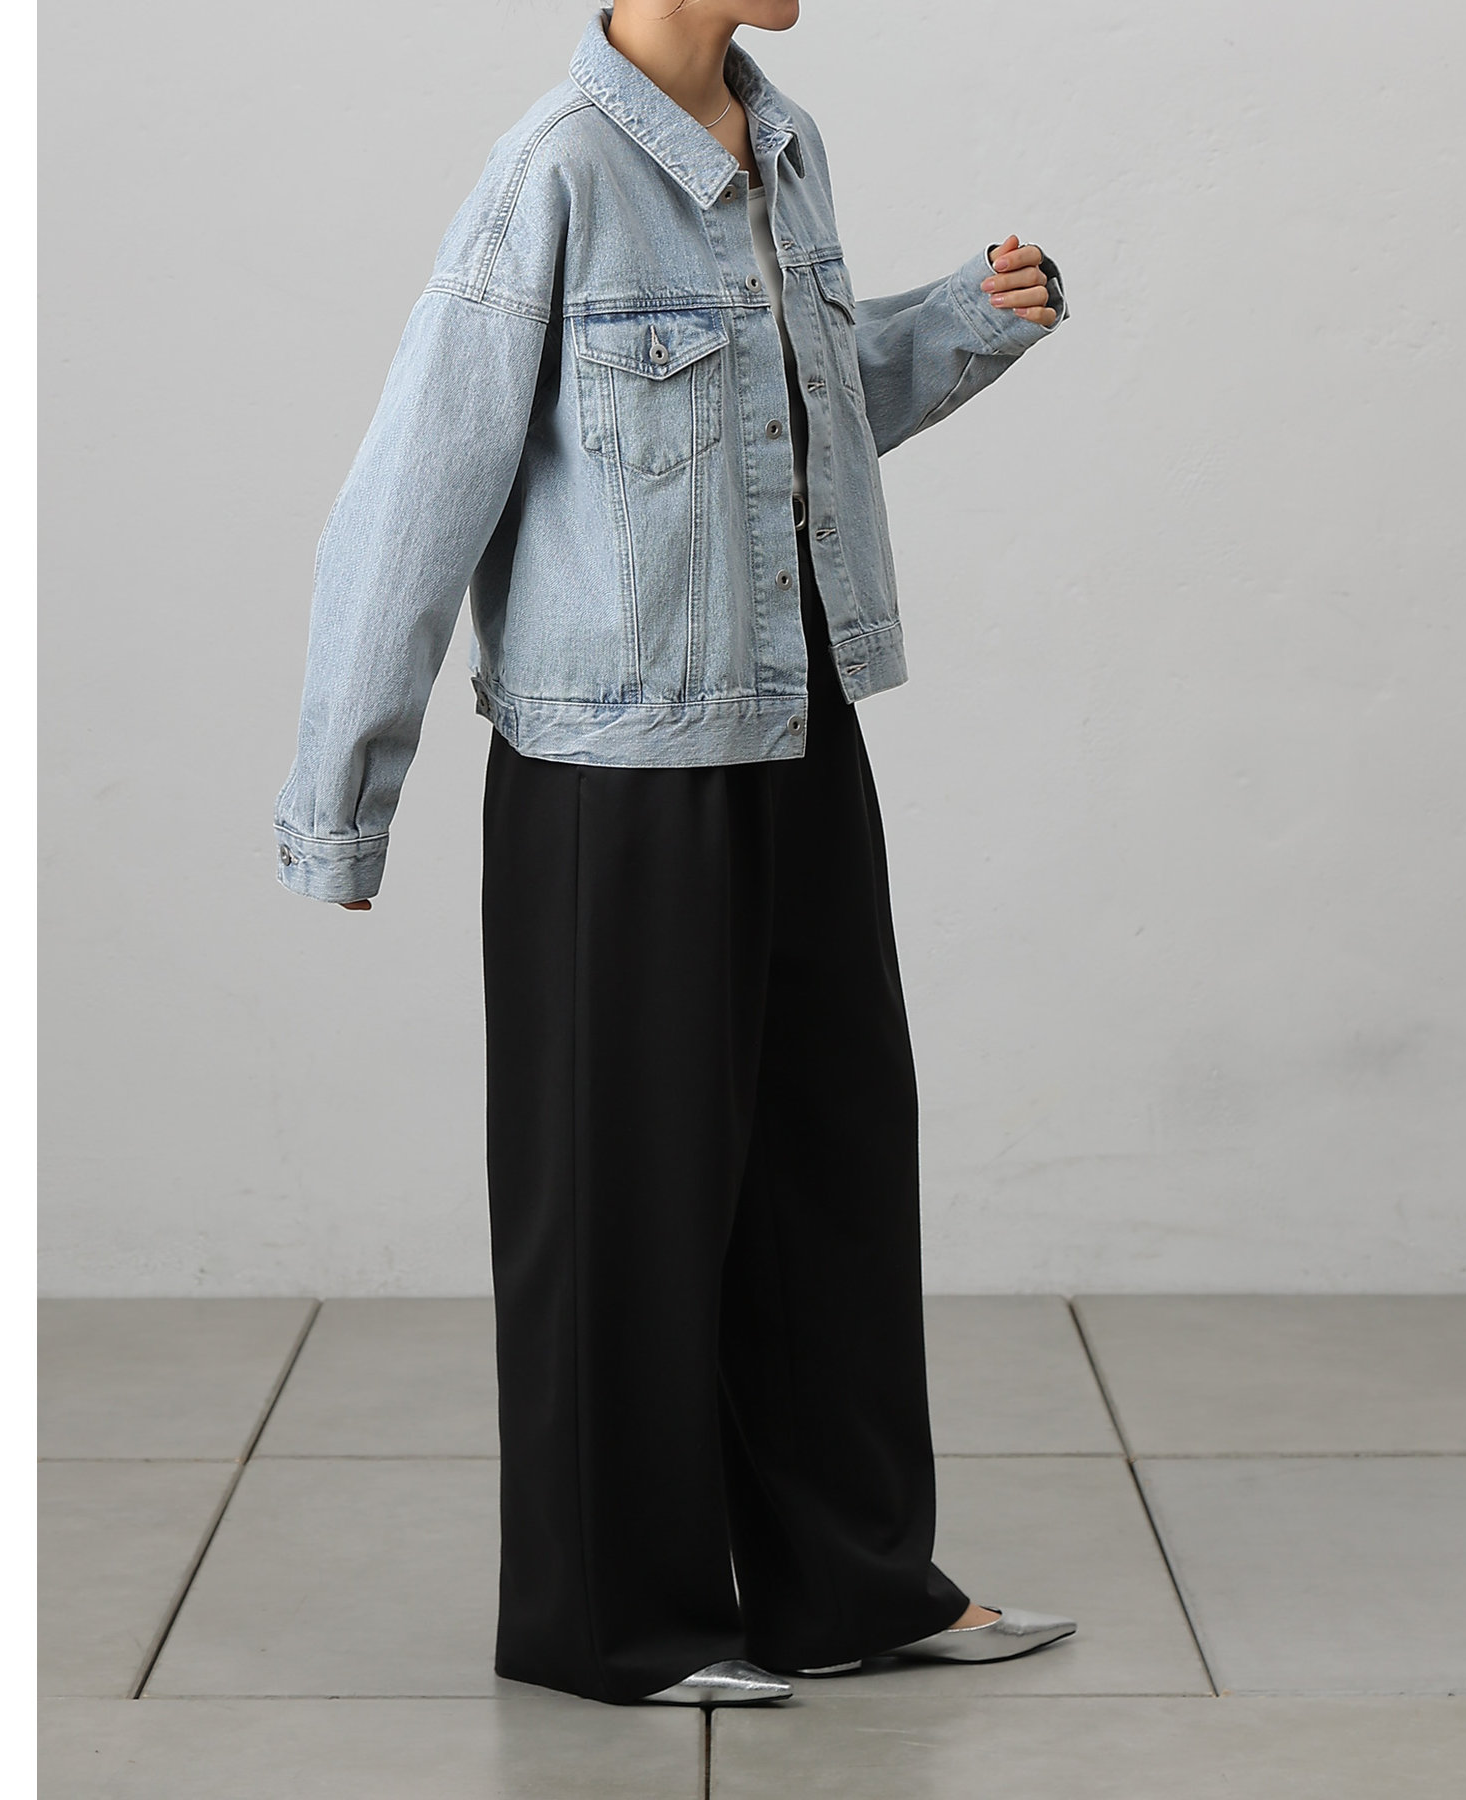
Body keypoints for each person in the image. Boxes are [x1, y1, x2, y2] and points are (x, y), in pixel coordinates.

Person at [274, 0, 1075, 1708]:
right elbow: (415, 491)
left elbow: (791, 415)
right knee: (621, 1197)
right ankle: (611, 1622)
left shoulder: (784, 145)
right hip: (617, 768)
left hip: (797, 717)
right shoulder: (554, 175)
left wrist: (961, 324)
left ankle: (846, 1586)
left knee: (829, 1163)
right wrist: (345, 795)